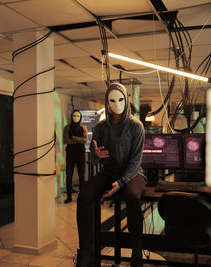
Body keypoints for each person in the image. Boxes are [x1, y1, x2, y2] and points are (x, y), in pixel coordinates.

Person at [75, 83, 146, 267]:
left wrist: (121, 182)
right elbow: (94, 156)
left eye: (120, 99)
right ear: (107, 102)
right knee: (84, 196)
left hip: (132, 174)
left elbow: (136, 160)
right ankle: (86, 252)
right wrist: (96, 155)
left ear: (127, 99)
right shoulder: (100, 127)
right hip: (108, 172)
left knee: (132, 197)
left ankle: (136, 252)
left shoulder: (136, 126)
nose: (117, 104)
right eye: (112, 100)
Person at [63, 110, 88, 203]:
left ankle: (82, 196)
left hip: (80, 154)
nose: (76, 118)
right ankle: (69, 197)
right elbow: (66, 140)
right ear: (71, 117)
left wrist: (74, 138)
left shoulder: (83, 128)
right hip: (70, 154)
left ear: (80, 117)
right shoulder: (67, 128)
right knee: (68, 176)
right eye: (74, 116)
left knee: (82, 176)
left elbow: (85, 140)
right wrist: (79, 140)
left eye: (78, 116)